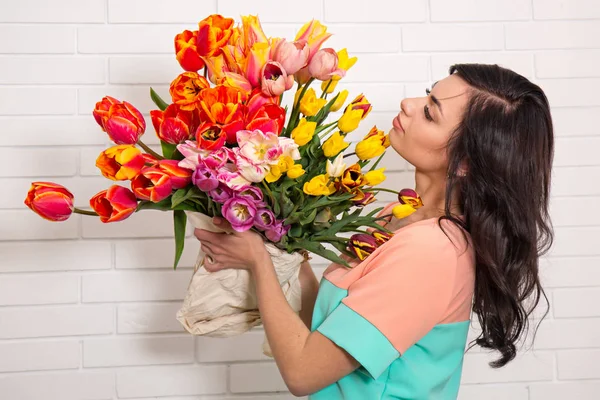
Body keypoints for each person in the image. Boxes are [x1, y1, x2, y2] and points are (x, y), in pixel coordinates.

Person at [193, 63, 555, 399]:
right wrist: (278, 241)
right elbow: (324, 331)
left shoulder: (434, 252)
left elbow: (303, 373)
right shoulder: (399, 214)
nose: (408, 104)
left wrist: (259, 262)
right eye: (426, 93)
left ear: (464, 163)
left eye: (429, 112)